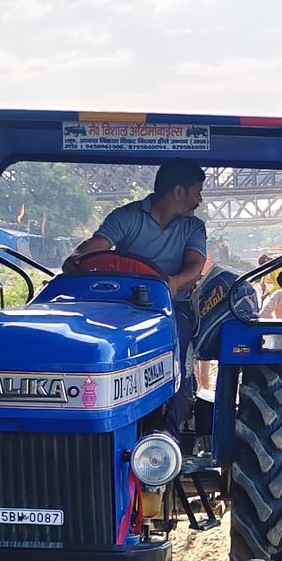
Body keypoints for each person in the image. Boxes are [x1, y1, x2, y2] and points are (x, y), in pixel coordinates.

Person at [63, 160, 207, 429]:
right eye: (197, 191)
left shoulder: (193, 227)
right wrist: (78, 257)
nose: (199, 199)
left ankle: (169, 431)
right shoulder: (127, 217)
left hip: (171, 305)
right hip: (123, 306)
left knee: (176, 347)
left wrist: (174, 282)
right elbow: (97, 246)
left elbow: (195, 266)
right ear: (178, 192)